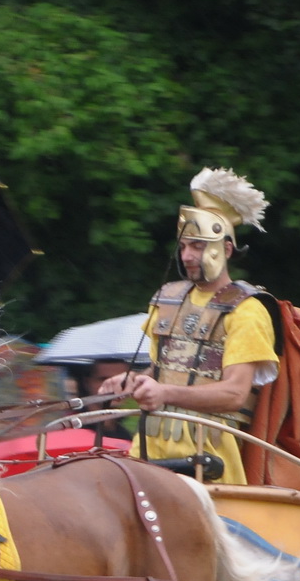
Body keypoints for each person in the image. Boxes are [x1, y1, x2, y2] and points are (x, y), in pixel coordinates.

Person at [99, 168, 277, 486]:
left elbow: (235, 393)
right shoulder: (167, 299)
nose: (187, 256)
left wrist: (165, 392)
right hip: (149, 447)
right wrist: (132, 382)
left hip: (208, 458)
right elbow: (162, 371)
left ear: (225, 249)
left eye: (197, 246)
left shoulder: (247, 311)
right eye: (183, 246)